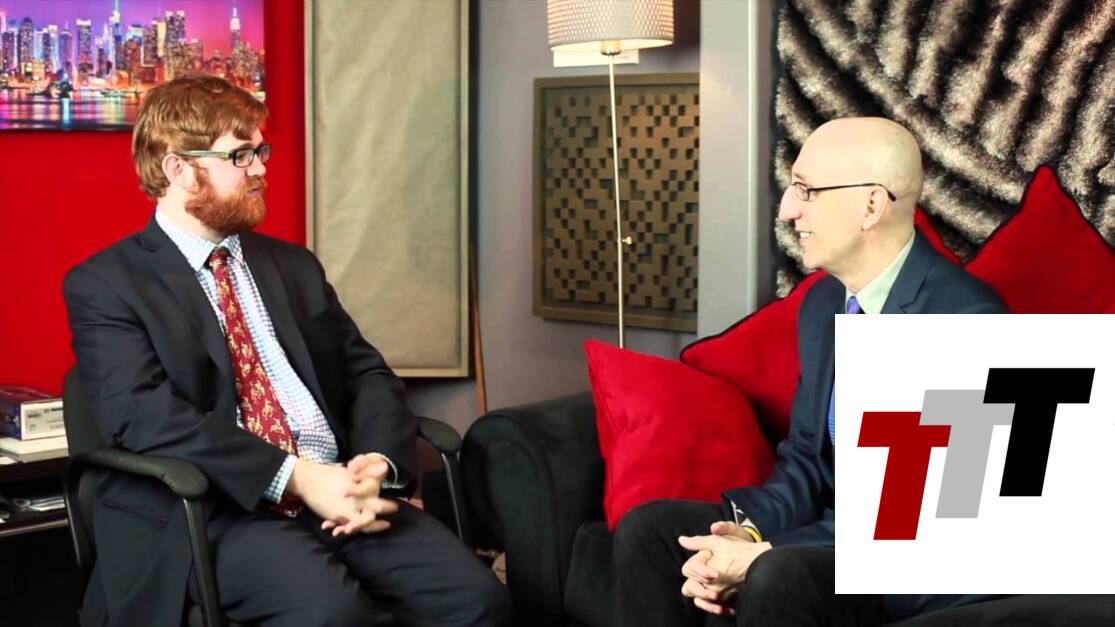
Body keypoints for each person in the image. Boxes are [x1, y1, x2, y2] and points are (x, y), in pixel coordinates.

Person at [64, 74, 511, 627]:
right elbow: (143, 417)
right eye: (240, 155)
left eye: (261, 151)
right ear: (177, 168)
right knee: (333, 614)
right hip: (220, 507)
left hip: (339, 487)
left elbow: (366, 372)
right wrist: (297, 478)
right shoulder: (107, 284)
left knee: (478, 600)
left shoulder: (292, 265)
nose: (260, 168)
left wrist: (376, 461)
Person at [613, 117, 1008, 627]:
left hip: (920, 560)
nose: (786, 210)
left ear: (871, 205)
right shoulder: (824, 303)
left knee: (778, 574)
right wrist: (748, 533)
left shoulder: (964, 322)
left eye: (807, 191)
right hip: (840, 535)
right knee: (650, 532)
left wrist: (762, 555)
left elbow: (917, 519)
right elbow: (806, 457)